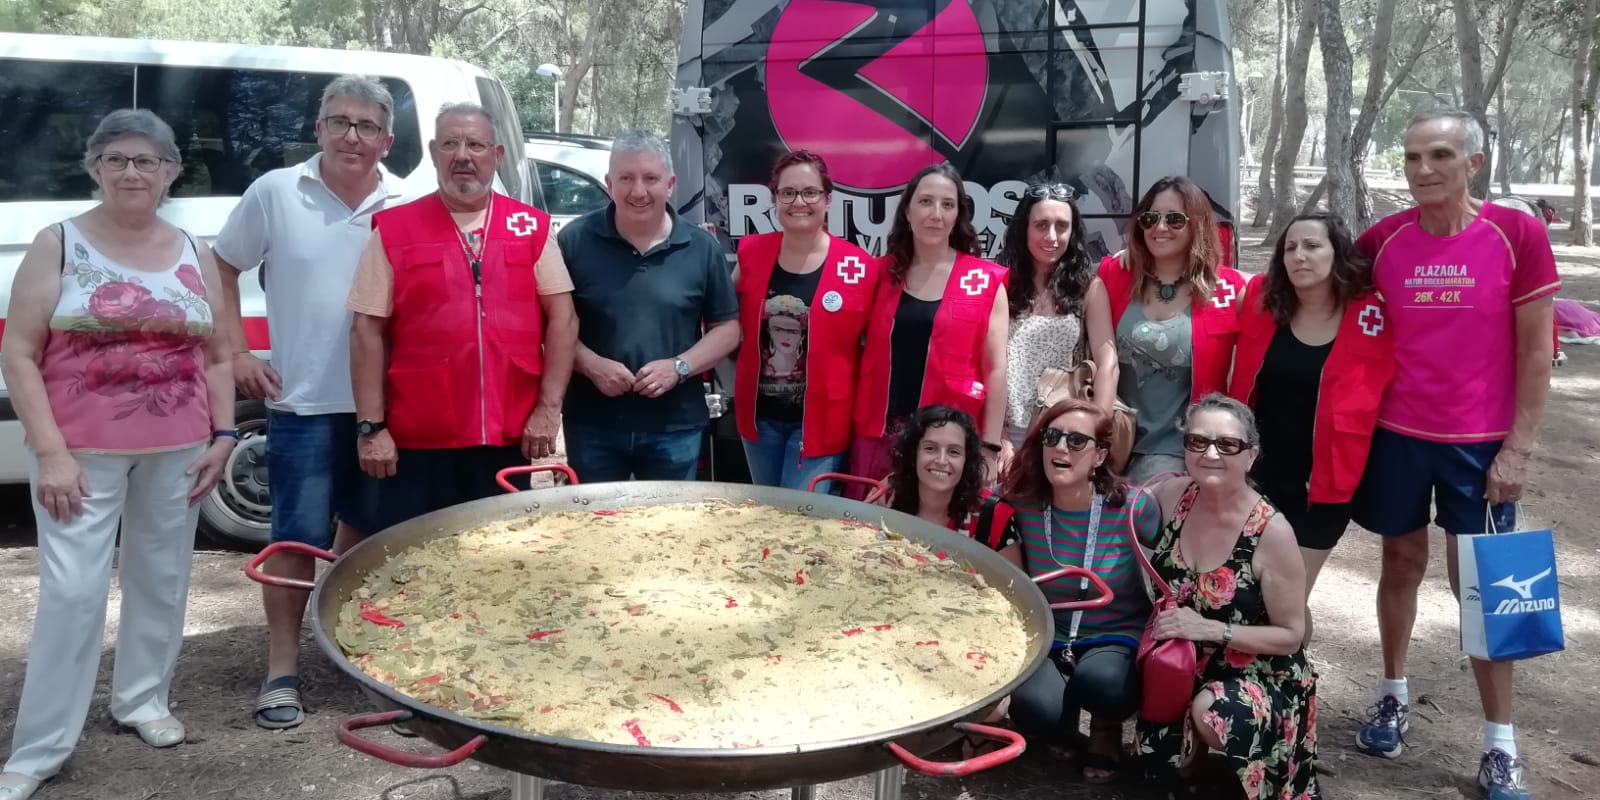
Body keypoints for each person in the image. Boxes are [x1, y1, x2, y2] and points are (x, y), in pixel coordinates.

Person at [0, 109, 236, 800]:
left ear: (169, 172)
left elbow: (219, 355)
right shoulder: (60, 244)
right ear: (96, 169)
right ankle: (38, 749)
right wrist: (49, 454)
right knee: (73, 596)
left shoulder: (194, 247)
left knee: (161, 581)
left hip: (182, 449)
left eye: (147, 161)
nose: (132, 171)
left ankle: (141, 701)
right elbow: (18, 352)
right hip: (82, 454)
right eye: (118, 160)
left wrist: (224, 436)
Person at [1351, 109, 1559, 800]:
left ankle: (1500, 744)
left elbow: (1536, 353)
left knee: (1485, 590)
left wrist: (1518, 449)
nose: (1422, 169)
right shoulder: (1381, 240)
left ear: (1474, 163)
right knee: (1400, 564)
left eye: (1439, 155)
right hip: (1399, 437)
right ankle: (1392, 693)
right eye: (1411, 157)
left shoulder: (1515, 234)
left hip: (1480, 447)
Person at [212, 75, 402, 730]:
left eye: (368, 126)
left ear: (387, 139)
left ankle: (361, 659)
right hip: (301, 404)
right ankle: (282, 671)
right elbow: (221, 265)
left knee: (372, 536)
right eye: (341, 122)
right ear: (319, 128)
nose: (353, 136)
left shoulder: (410, 201)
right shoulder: (275, 193)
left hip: (388, 408)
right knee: (294, 539)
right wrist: (236, 351)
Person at [346, 102, 578, 528]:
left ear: (497, 155)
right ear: (434, 153)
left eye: (475, 144)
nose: (463, 156)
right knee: (416, 563)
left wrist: (548, 409)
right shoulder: (395, 229)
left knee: (497, 564)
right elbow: (366, 330)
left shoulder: (532, 227)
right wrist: (371, 427)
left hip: (507, 436)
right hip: (418, 438)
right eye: (450, 144)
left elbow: (563, 320)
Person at [1138, 395, 1318, 800]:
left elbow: (1292, 634)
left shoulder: (1272, 532)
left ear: (1251, 456)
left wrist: (1210, 628)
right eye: (1198, 441)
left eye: (1228, 444)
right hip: (1182, 660)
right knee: (1157, 772)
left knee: (1213, 712)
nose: (1211, 453)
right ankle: (1195, 764)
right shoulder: (1172, 497)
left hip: (1260, 670)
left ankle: (1242, 763)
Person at [1227, 212, 1395, 647]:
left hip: (1323, 487)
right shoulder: (1263, 303)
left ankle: (1288, 694)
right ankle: (1286, 685)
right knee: (1253, 597)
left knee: (1285, 602)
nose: (1299, 255)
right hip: (1259, 480)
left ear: (1338, 252)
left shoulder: (1374, 313)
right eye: (1290, 247)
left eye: (1312, 246)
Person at [557, 130, 740, 481]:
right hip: (593, 423)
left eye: (650, 178)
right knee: (596, 528)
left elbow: (728, 330)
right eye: (626, 178)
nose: (638, 191)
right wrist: (592, 365)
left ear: (670, 184)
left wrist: (679, 367)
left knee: (670, 531)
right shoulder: (574, 241)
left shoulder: (700, 247)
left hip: (675, 425)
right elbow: (550, 326)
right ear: (609, 183)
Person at [995, 399, 1160, 784]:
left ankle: (1105, 729)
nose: (1061, 448)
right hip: (1051, 635)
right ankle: (1062, 724)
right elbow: (966, 507)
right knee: (1035, 709)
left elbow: (1180, 554)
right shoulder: (1022, 506)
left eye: (1076, 440)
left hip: (1116, 634)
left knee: (1105, 684)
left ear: (1100, 454)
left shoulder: (1133, 507)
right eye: (1052, 437)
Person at [851, 164, 1009, 491]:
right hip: (880, 436)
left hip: (947, 443)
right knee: (869, 532)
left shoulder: (984, 281)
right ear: (907, 211)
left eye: (947, 204)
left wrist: (991, 447)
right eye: (925, 202)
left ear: (957, 216)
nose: (935, 214)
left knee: (938, 536)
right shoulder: (879, 274)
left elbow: (996, 369)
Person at [733, 151, 880, 491]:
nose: (799, 202)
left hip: (824, 421)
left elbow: (877, 346)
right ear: (775, 199)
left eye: (810, 192)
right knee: (767, 514)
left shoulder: (859, 267)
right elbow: (725, 323)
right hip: (760, 419)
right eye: (788, 193)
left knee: (804, 519)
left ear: (828, 198)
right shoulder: (750, 253)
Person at [1099, 177, 1244, 485]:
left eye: (1175, 219)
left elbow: (1285, 288)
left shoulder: (1229, 289)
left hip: (1177, 450)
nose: (1159, 227)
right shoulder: (1115, 275)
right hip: (1112, 441)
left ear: (1198, 225)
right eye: (1150, 218)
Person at [994, 184, 1117, 472]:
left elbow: (1108, 363)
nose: (1051, 236)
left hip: (1062, 437)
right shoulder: (1000, 283)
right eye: (1041, 225)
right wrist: (994, 437)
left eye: (1062, 226)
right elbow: (988, 362)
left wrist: (1094, 434)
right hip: (1006, 433)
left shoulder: (1089, 287)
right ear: (1024, 228)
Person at [880, 405, 987, 531]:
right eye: (930, 448)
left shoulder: (992, 516)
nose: (941, 461)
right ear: (913, 454)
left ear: (966, 460)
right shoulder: (886, 496)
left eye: (953, 452)